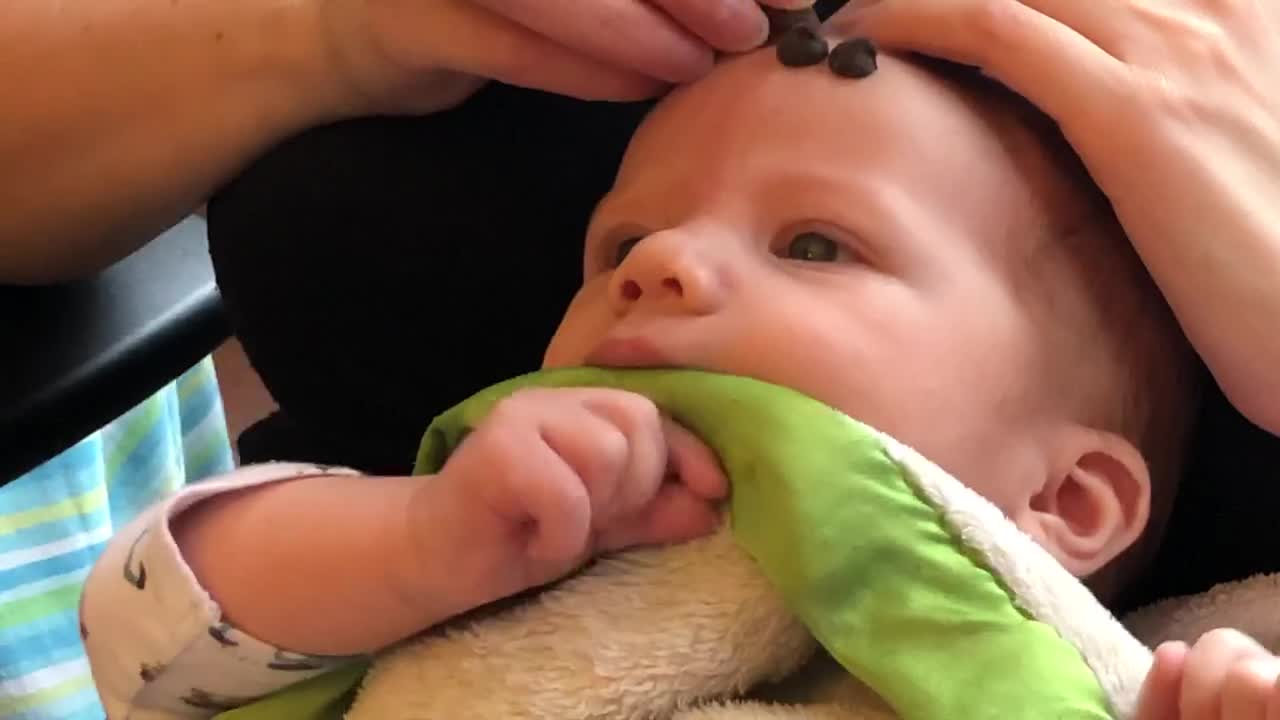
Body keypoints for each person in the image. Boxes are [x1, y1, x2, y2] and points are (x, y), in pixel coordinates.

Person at [81, 43, 1271, 720]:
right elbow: (141, 635)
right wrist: (419, 543)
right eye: (615, 245)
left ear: (1063, 502)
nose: (659, 263)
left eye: (813, 244)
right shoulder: (513, 526)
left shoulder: (1155, 662)